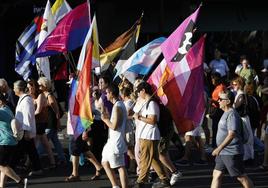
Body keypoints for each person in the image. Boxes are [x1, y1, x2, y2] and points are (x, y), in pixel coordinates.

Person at [210, 90, 254, 188]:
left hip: (231, 152)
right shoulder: (225, 113)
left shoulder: (232, 114)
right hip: (223, 152)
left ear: (228, 101)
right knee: (217, 174)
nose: (218, 101)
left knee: (241, 177)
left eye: (221, 99)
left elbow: (232, 134)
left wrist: (219, 148)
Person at [132, 82, 169, 188]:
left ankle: (141, 182)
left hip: (150, 134)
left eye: (139, 92)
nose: (138, 94)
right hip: (145, 134)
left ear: (143, 91)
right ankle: (164, 180)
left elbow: (153, 120)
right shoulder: (146, 102)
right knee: (153, 159)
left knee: (145, 158)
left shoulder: (152, 104)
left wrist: (139, 117)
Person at [11, 80, 43, 176]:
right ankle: (38, 168)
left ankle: (9, 170)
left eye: (14, 88)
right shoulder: (23, 99)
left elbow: (28, 116)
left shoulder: (27, 100)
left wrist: (27, 131)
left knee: (18, 151)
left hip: (25, 131)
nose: (13, 89)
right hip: (23, 130)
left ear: (19, 89)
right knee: (31, 150)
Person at [101, 84, 128, 188]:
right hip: (111, 141)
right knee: (104, 162)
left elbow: (114, 126)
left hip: (117, 141)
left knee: (120, 166)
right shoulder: (117, 105)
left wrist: (105, 120)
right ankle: (115, 185)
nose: (106, 95)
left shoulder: (118, 106)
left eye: (107, 93)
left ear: (112, 94)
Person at [0, 93, 28, 188]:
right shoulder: (7, 108)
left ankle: (20, 181)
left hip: (5, 142)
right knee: (5, 166)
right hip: (11, 141)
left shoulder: (2, 112)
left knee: (2, 166)